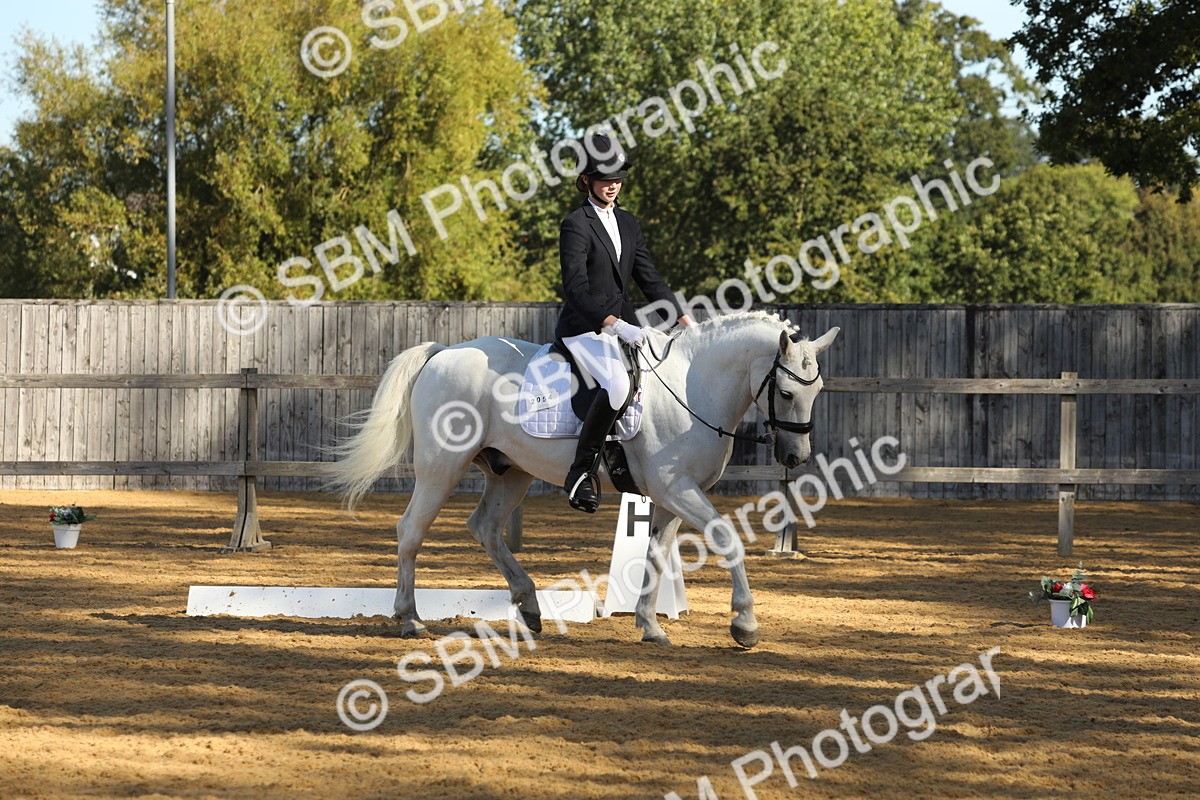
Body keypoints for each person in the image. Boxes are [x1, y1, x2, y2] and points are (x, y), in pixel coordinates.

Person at [556, 134, 694, 513]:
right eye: (605, 178)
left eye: (618, 177)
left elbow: (649, 278)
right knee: (618, 383)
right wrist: (614, 325)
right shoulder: (575, 224)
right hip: (584, 327)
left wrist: (683, 319)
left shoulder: (628, 222)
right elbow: (575, 289)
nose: (613, 184)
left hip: (625, 324)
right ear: (587, 180)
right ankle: (581, 473)